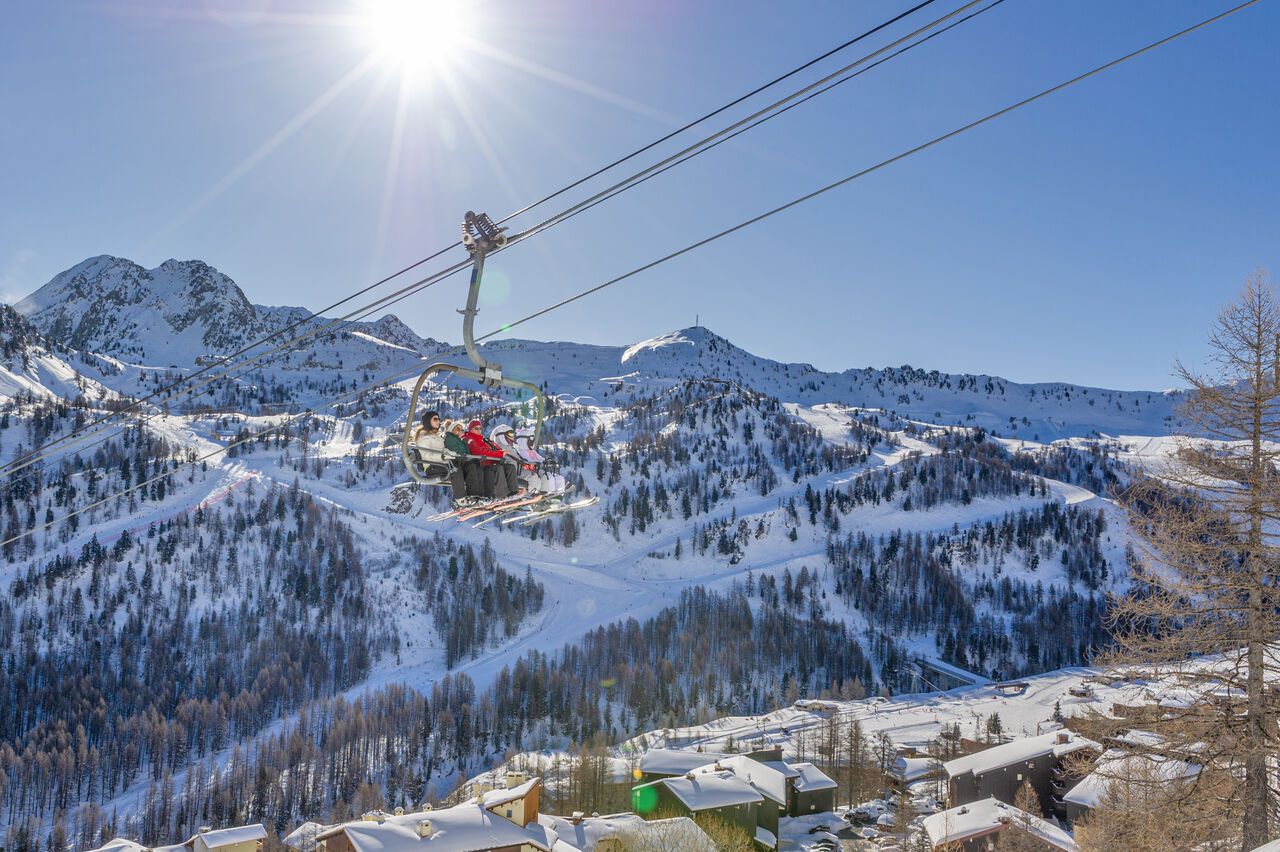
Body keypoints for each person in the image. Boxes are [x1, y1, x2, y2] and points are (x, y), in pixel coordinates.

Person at [490, 424, 566, 493]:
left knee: (544, 476)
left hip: (517, 470)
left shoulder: (511, 448)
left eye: (513, 434)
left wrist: (545, 461)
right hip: (511, 472)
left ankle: (546, 496)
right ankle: (535, 497)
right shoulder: (497, 448)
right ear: (501, 435)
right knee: (534, 477)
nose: (513, 437)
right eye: (510, 433)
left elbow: (519, 458)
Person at [411, 411, 466, 493]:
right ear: (428, 421)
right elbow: (426, 455)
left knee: (468, 468)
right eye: (435, 419)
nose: (438, 421)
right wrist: (443, 456)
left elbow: (442, 449)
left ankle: (475, 496)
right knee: (457, 470)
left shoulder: (436, 436)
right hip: (432, 467)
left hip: (442, 464)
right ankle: (461, 499)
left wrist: (448, 452)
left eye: (438, 419)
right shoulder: (423, 437)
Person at [463, 418, 520, 497]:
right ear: (470, 429)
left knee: (510, 467)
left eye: (480, 428)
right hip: (481, 465)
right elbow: (480, 452)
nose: (479, 430)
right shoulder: (470, 439)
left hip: (489, 463)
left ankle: (514, 493)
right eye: (476, 428)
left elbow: (489, 452)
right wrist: (500, 453)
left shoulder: (482, 441)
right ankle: (503, 495)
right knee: (498, 468)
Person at [443, 419, 483, 498]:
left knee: (475, 466)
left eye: (462, 429)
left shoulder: (460, 440)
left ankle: (474, 495)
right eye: (458, 429)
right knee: (472, 467)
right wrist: (465, 455)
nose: (460, 431)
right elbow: (455, 451)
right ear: (451, 429)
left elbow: (467, 452)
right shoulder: (450, 437)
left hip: (463, 461)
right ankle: (472, 495)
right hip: (457, 462)